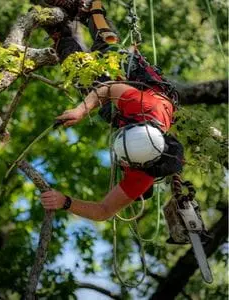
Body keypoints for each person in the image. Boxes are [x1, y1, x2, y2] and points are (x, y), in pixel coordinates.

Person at [40, 0, 184, 221]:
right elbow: (108, 89)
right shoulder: (145, 105)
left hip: (123, 116)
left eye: (127, 161)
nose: (124, 164)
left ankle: (60, 32)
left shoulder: (142, 176)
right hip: (142, 84)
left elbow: (104, 211)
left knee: (81, 76)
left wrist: (66, 202)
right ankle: (90, 9)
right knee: (110, 52)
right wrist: (80, 110)